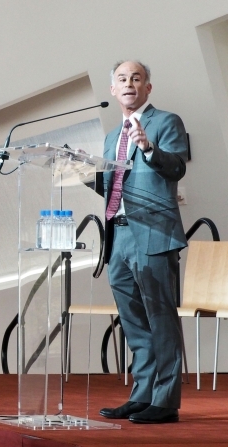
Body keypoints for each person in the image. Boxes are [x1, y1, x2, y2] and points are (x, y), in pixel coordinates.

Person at [97, 60, 188, 424]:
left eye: (136, 78)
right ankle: (142, 395)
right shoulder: (111, 137)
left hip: (152, 234)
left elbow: (177, 167)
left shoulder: (166, 122)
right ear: (113, 90)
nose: (129, 84)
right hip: (118, 235)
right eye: (122, 79)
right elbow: (112, 185)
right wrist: (79, 172)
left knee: (161, 319)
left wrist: (149, 148)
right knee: (133, 321)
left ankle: (165, 401)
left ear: (147, 87)